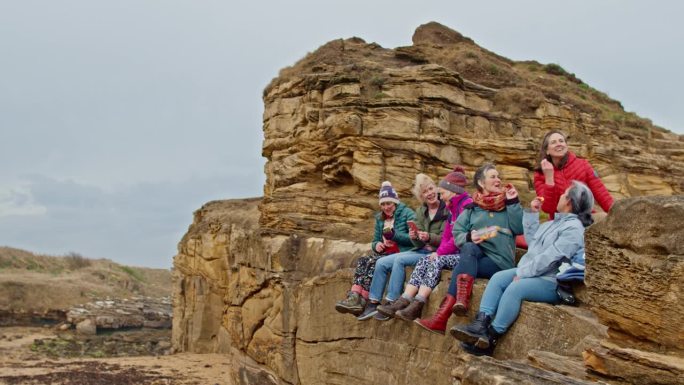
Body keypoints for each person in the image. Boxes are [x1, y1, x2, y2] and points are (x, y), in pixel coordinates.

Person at [450, 181, 595, 356]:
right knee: (498, 278)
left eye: (564, 194)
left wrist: (523, 274)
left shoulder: (574, 229)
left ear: (570, 202)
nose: (561, 196)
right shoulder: (554, 223)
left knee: (515, 288)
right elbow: (533, 242)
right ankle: (480, 323)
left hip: (551, 281)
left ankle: (491, 337)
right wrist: (532, 214)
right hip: (532, 272)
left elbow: (550, 258)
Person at [415, 163, 524, 334]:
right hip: (476, 257)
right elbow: (457, 231)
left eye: (498, 177)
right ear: (481, 183)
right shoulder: (473, 208)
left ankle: (443, 317)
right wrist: (469, 236)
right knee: (469, 246)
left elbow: (519, 229)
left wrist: (514, 201)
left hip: (499, 261)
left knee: (461, 265)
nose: (498, 180)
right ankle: (456, 305)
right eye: (493, 177)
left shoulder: (508, 205)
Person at [376, 166, 473, 322]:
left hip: (464, 254)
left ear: (453, 191)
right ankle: (404, 300)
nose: (440, 195)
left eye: (442, 192)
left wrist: (438, 251)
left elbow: (455, 239)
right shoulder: (451, 208)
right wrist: (417, 237)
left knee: (435, 261)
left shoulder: (464, 206)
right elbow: (448, 235)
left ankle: (418, 303)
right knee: (424, 260)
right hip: (439, 251)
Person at [357, 173, 450, 321]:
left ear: (437, 189)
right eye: (425, 192)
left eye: (431, 188)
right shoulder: (421, 211)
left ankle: (392, 301)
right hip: (421, 250)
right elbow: (418, 244)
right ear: (421, 196)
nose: (429, 193)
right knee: (381, 263)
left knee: (399, 261)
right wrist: (415, 237)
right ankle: (373, 303)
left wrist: (429, 237)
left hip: (437, 253)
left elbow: (447, 239)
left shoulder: (447, 210)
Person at [335, 181, 415, 316]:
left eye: (389, 203)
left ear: (395, 202)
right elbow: (375, 240)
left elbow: (413, 238)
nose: (386, 207)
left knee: (373, 262)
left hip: (401, 252)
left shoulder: (407, 213)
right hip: (385, 252)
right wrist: (377, 245)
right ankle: (354, 296)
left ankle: (363, 300)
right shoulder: (380, 218)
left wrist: (395, 236)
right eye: (383, 204)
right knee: (363, 260)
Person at [534, 130, 613, 219]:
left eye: (561, 141)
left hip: (585, 219)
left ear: (566, 145)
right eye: (553, 142)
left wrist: (616, 213)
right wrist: (549, 178)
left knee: (603, 217)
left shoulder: (583, 164)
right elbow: (548, 208)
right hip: (560, 223)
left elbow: (601, 193)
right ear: (547, 150)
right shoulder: (540, 174)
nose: (559, 144)